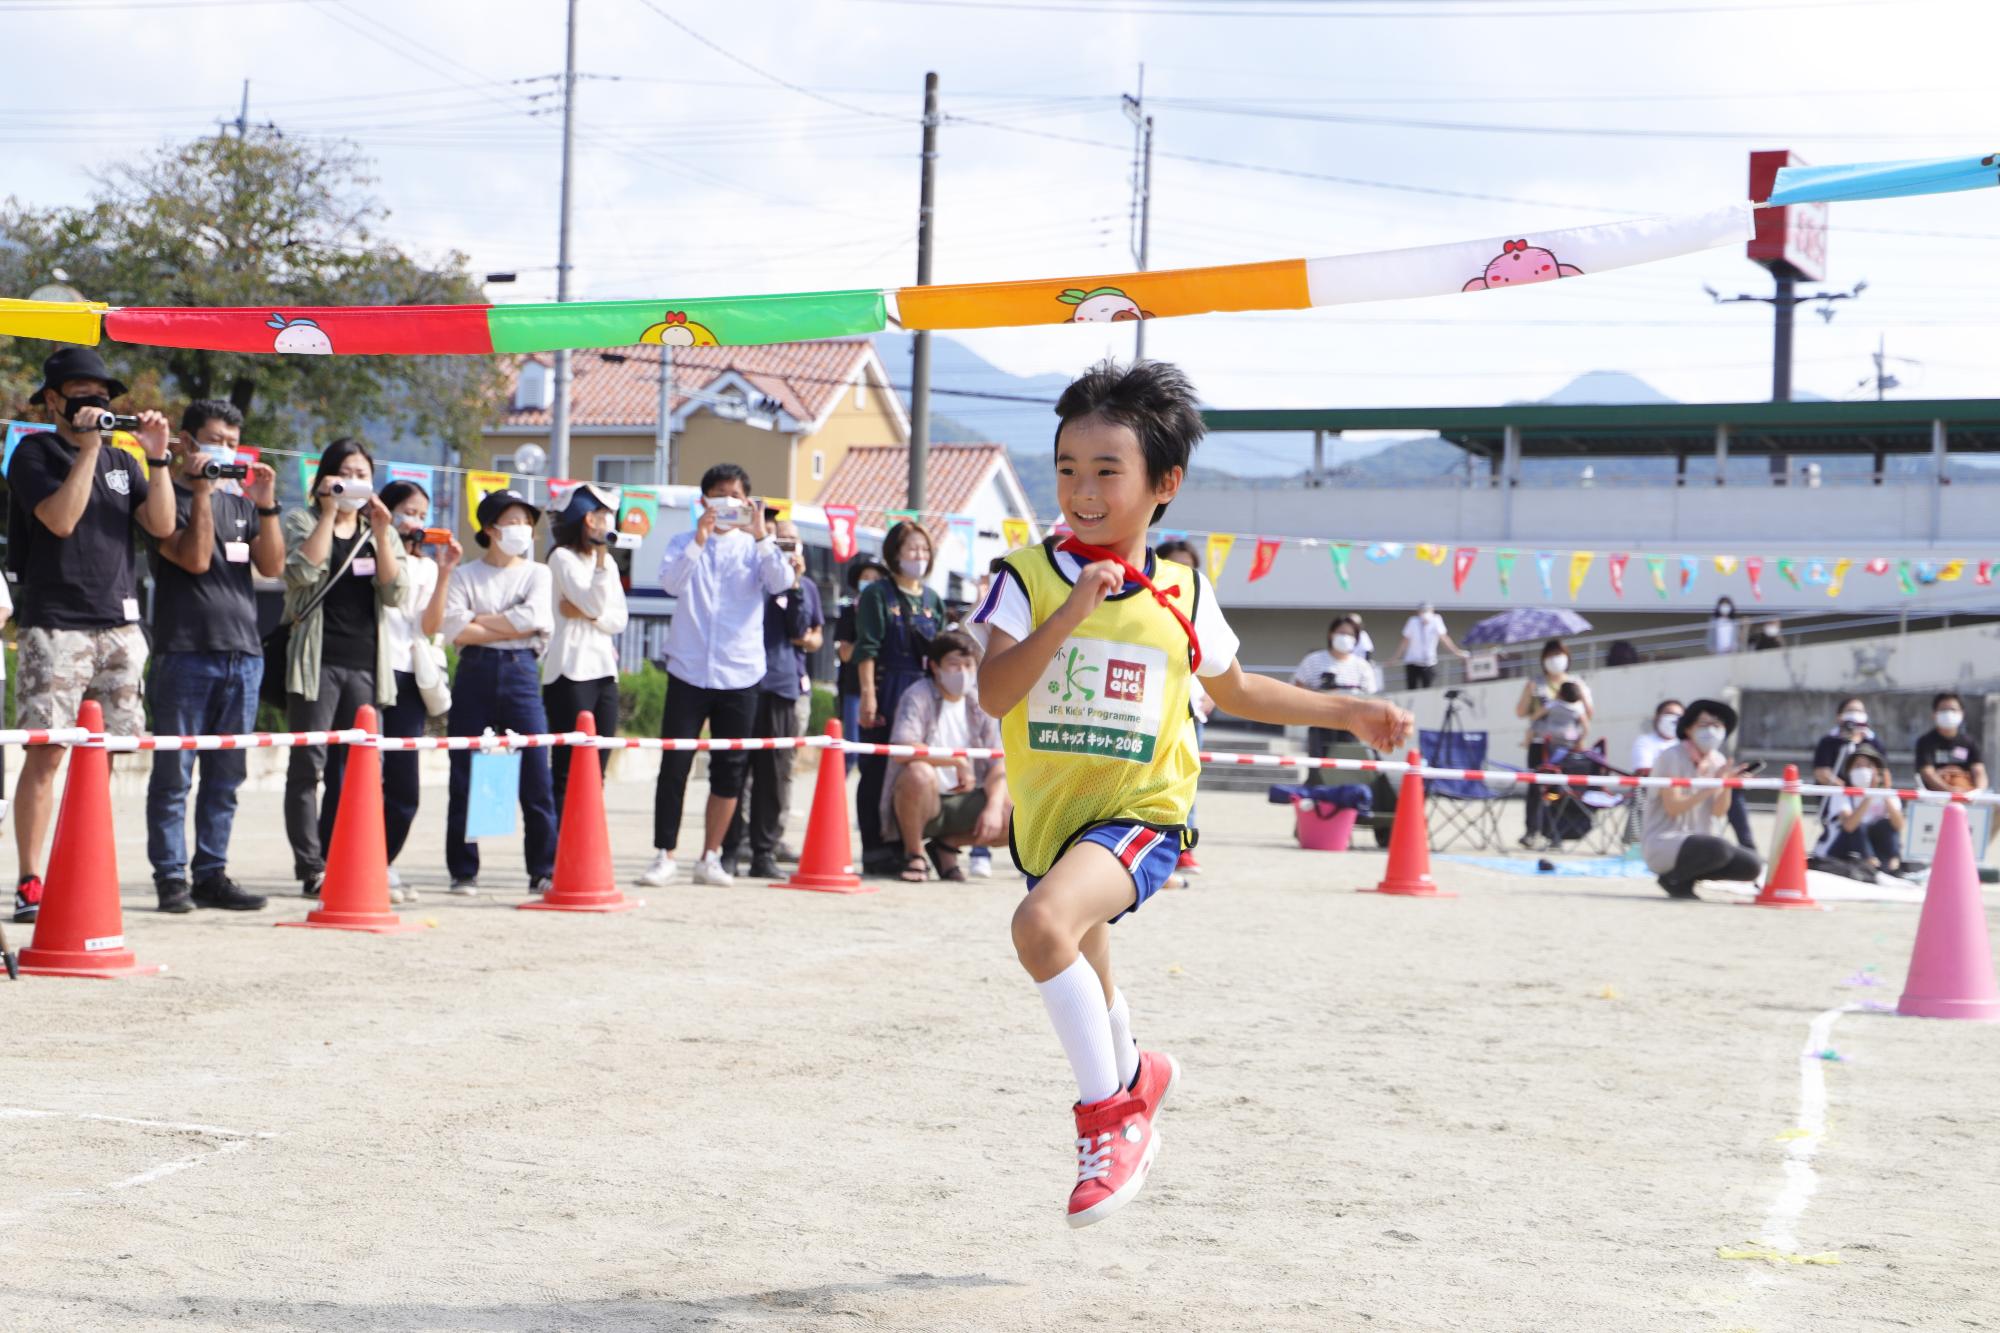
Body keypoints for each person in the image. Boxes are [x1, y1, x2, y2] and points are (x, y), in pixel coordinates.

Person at [972, 358, 1411, 1227]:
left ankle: (1114, 1118)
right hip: (1052, 824)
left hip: (1142, 818)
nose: (1083, 491)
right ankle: (1138, 1072)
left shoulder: (1184, 592)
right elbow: (993, 692)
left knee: (1041, 926)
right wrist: (1069, 611)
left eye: (1107, 471)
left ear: (1162, 482)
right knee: (1083, 964)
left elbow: (1241, 687)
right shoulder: (1025, 578)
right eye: (1066, 469)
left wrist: (1349, 710)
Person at [6, 348, 177, 924]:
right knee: (47, 752)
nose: (96, 403)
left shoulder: (124, 460)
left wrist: (156, 462)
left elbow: (162, 528)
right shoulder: (34, 452)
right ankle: (31, 880)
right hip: (55, 624)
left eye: (104, 395)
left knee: (102, 755)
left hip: (119, 624)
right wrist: (86, 451)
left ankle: (81, 868)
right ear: (53, 400)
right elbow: (60, 519)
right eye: (82, 393)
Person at [144, 400, 282, 914]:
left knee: (226, 776)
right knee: (174, 774)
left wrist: (265, 503)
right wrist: (201, 494)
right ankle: (170, 876)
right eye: (214, 438)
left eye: (231, 440)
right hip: (185, 653)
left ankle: (212, 872)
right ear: (185, 442)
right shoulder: (162, 498)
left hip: (243, 654)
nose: (223, 448)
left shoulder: (242, 504)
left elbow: (270, 566)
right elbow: (196, 560)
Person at [639, 464, 791, 888]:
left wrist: (762, 536)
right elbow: (670, 584)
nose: (726, 503)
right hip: (688, 668)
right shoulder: (682, 541)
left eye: (735, 495)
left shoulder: (756, 546)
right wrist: (699, 540)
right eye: (717, 495)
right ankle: (664, 854)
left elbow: (782, 583)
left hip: (740, 672)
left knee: (731, 770)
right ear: (703, 501)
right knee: (675, 765)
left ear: (748, 502)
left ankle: (711, 856)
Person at [280, 439, 413, 898]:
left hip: (366, 665)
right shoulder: (302, 520)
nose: (355, 482)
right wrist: (329, 515)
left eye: (363, 474)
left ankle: (345, 858)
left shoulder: (381, 530)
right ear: (325, 480)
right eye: (346, 473)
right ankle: (310, 866)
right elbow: (299, 572)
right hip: (317, 662)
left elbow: (397, 594)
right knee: (308, 767)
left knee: (359, 766)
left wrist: (379, 533)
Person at [441, 489, 557, 896]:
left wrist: (481, 621)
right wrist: (508, 624)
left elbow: (537, 618)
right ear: (490, 529)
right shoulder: (466, 574)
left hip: (522, 672)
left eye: (526, 521)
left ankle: (543, 869)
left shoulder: (537, 573)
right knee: (464, 773)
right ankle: (463, 870)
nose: (522, 529)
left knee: (536, 776)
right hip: (474, 672)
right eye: (512, 521)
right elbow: (454, 627)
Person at [720, 517, 822, 880]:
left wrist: (793, 581)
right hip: (741, 681)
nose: (786, 547)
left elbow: (801, 630)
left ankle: (765, 850)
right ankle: (729, 849)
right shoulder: (750, 577)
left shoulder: (804, 586)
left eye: (793, 541)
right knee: (734, 770)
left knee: (775, 774)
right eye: (779, 541)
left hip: (781, 684)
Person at [379, 480, 460, 901]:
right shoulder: (373, 550)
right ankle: (340, 862)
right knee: (357, 775)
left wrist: (445, 570)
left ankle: (383, 861)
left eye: (423, 515)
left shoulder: (428, 566)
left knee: (403, 785)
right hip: (373, 670)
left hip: (410, 676)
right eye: (408, 511)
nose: (417, 522)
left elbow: (430, 627)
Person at [855, 521, 947, 876]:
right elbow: (867, 649)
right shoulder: (878, 594)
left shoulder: (933, 599)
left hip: (921, 694)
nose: (918, 556)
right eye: (911, 549)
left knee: (917, 769)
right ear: (895, 553)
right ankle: (876, 848)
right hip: (886, 686)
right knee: (876, 770)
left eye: (924, 550)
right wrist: (868, 696)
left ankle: (910, 843)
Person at [885, 629, 1010, 882]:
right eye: (954, 664)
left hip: (965, 800)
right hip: (923, 800)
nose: (962, 672)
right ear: (934, 666)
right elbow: (902, 746)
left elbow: (998, 761)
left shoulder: (979, 703)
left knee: (1017, 810)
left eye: (968, 665)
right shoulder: (917, 695)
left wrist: (995, 807)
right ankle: (915, 853)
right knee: (918, 773)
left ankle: (946, 847)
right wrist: (954, 761)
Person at [542, 483, 629, 817]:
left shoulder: (601, 562)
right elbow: (593, 600)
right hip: (570, 670)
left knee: (598, 765)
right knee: (567, 767)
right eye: (602, 515)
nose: (608, 523)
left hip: (604, 670)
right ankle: (558, 850)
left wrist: (590, 614)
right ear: (586, 520)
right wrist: (593, 608)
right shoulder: (561, 557)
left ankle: (587, 841)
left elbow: (618, 618)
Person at [1641, 698, 1762, 900]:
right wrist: (1713, 784)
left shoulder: (1718, 760)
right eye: (1704, 725)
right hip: (1664, 842)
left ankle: (1684, 880)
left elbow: (1718, 812)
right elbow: (1673, 808)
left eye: (1717, 725)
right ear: (1688, 729)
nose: (1711, 731)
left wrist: (1726, 786)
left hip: (1700, 843)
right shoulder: (1671, 757)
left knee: (1751, 865)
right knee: (1719, 848)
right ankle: (1673, 879)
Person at [1156, 540, 1210, 873]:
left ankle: (1183, 846)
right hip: (1153, 708)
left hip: (1192, 710)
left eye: (1189, 565)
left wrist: (1213, 696)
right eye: (1176, 564)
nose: (1184, 572)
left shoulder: (1201, 606)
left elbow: (1221, 665)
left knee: (1187, 779)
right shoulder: (1143, 603)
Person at [1515, 638, 1594, 849]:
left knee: (1558, 789)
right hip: (1541, 745)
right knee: (1535, 788)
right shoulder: (1535, 683)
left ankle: (1555, 831)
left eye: (1558, 655)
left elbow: (1589, 714)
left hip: (1566, 748)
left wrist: (1580, 697)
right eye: (1550, 656)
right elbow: (1521, 713)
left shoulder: (1577, 682)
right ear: (1543, 660)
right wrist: (1531, 696)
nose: (1555, 660)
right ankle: (1532, 830)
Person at [1813, 742, 1905, 875]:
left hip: (1871, 845)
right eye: (1858, 765)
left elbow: (1899, 824)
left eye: (1868, 765)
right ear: (1849, 771)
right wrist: (1869, 795)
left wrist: (1884, 792)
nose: (1863, 770)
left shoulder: (1887, 794)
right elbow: (1849, 826)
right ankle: (1870, 863)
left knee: (1886, 825)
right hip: (1838, 849)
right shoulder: (1842, 793)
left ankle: (1892, 863)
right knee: (1858, 825)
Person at [1290, 615, 1375, 758]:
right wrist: (1322, 694)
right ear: (1331, 634)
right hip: (1321, 722)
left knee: (1349, 766)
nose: (1345, 637)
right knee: (1319, 768)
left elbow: (1370, 696)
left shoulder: (1362, 666)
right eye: (1342, 633)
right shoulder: (1313, 660)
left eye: (1350, 634)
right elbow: (1297, 687)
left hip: (1352, 726)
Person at [833, 558, 888, 774]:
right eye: (866, 578)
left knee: (879, 753)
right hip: (855, 689)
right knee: (851, 749)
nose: (871, 582)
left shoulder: (888, 612)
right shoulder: (849, 611)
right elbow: (845, 653)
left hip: (884, 689)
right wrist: (869, 642)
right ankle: (835, 797)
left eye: (876, 578)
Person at [1915, 692, 1987, 793]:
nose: (1948, 714)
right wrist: (1951, 791)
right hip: (1935, 796)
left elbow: (1979, 771)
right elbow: (1927, 773)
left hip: (1967, 793)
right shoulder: (1925, 742)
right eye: (1943, 710)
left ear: (1962, 713)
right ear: (1934, 714)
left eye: (1953, 710)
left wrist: (1977, 792)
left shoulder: (1969, 742)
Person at [1811, 697, 1882, 790]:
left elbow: (1883, 772)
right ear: (1839, 716)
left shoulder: (1872, 741)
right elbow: (1821, 773)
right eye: (1851, 710)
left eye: (1860, 711)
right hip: (1837, 794)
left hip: (1867, 794)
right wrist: (1846, 790)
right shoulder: (1828, 741)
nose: (1856, 714)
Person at [1397, 602, 1468, 691]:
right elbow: (1405, 641)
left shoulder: (1436, 620)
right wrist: (1395, 657)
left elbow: (1444, 638)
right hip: (1412, 661)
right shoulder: (1413, 622)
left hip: (1428, 662)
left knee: (1427, 688)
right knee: (1412, 689)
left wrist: (1457, 652)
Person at [1630, 699, 1685, 774]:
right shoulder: (1645, 741)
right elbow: (1644, 773)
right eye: (1670, 714)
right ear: (1657, 717)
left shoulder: (1685, 743)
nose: (1674, 719)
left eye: (1678, 716)